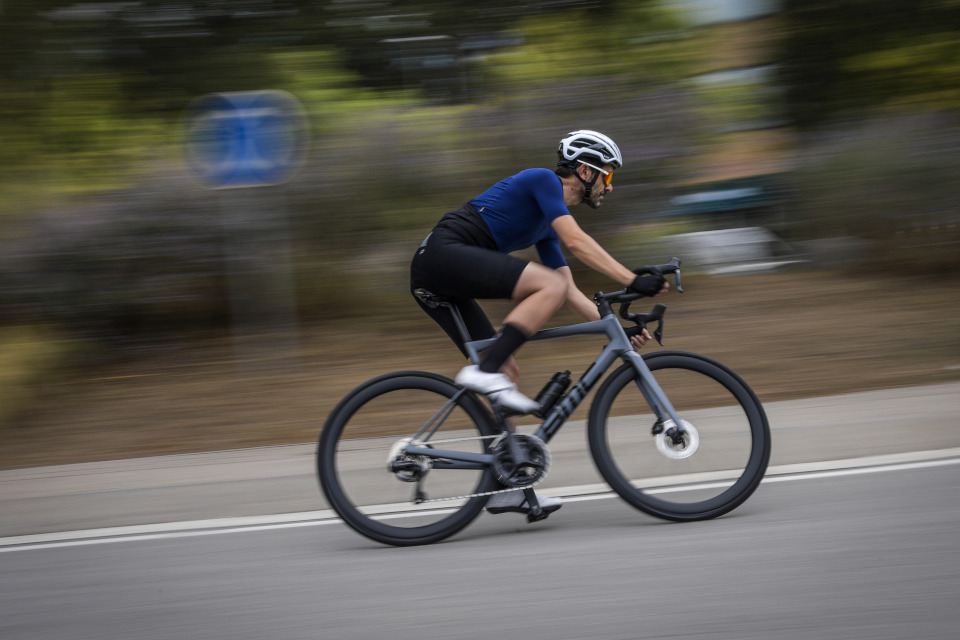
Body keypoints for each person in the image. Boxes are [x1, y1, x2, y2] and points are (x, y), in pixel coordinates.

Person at [409, 130, 668, 516]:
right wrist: (631, 279)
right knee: (539, 296)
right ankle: (485, 372)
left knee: (508, 370)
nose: (610, 186)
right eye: (608, 175)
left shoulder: (548, 223)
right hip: (442, 257)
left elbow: (568, 289)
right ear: (585, 171)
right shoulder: (543, 180)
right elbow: (577, 243)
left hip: (437, 273)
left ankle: (503, 484)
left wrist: (616, 329)